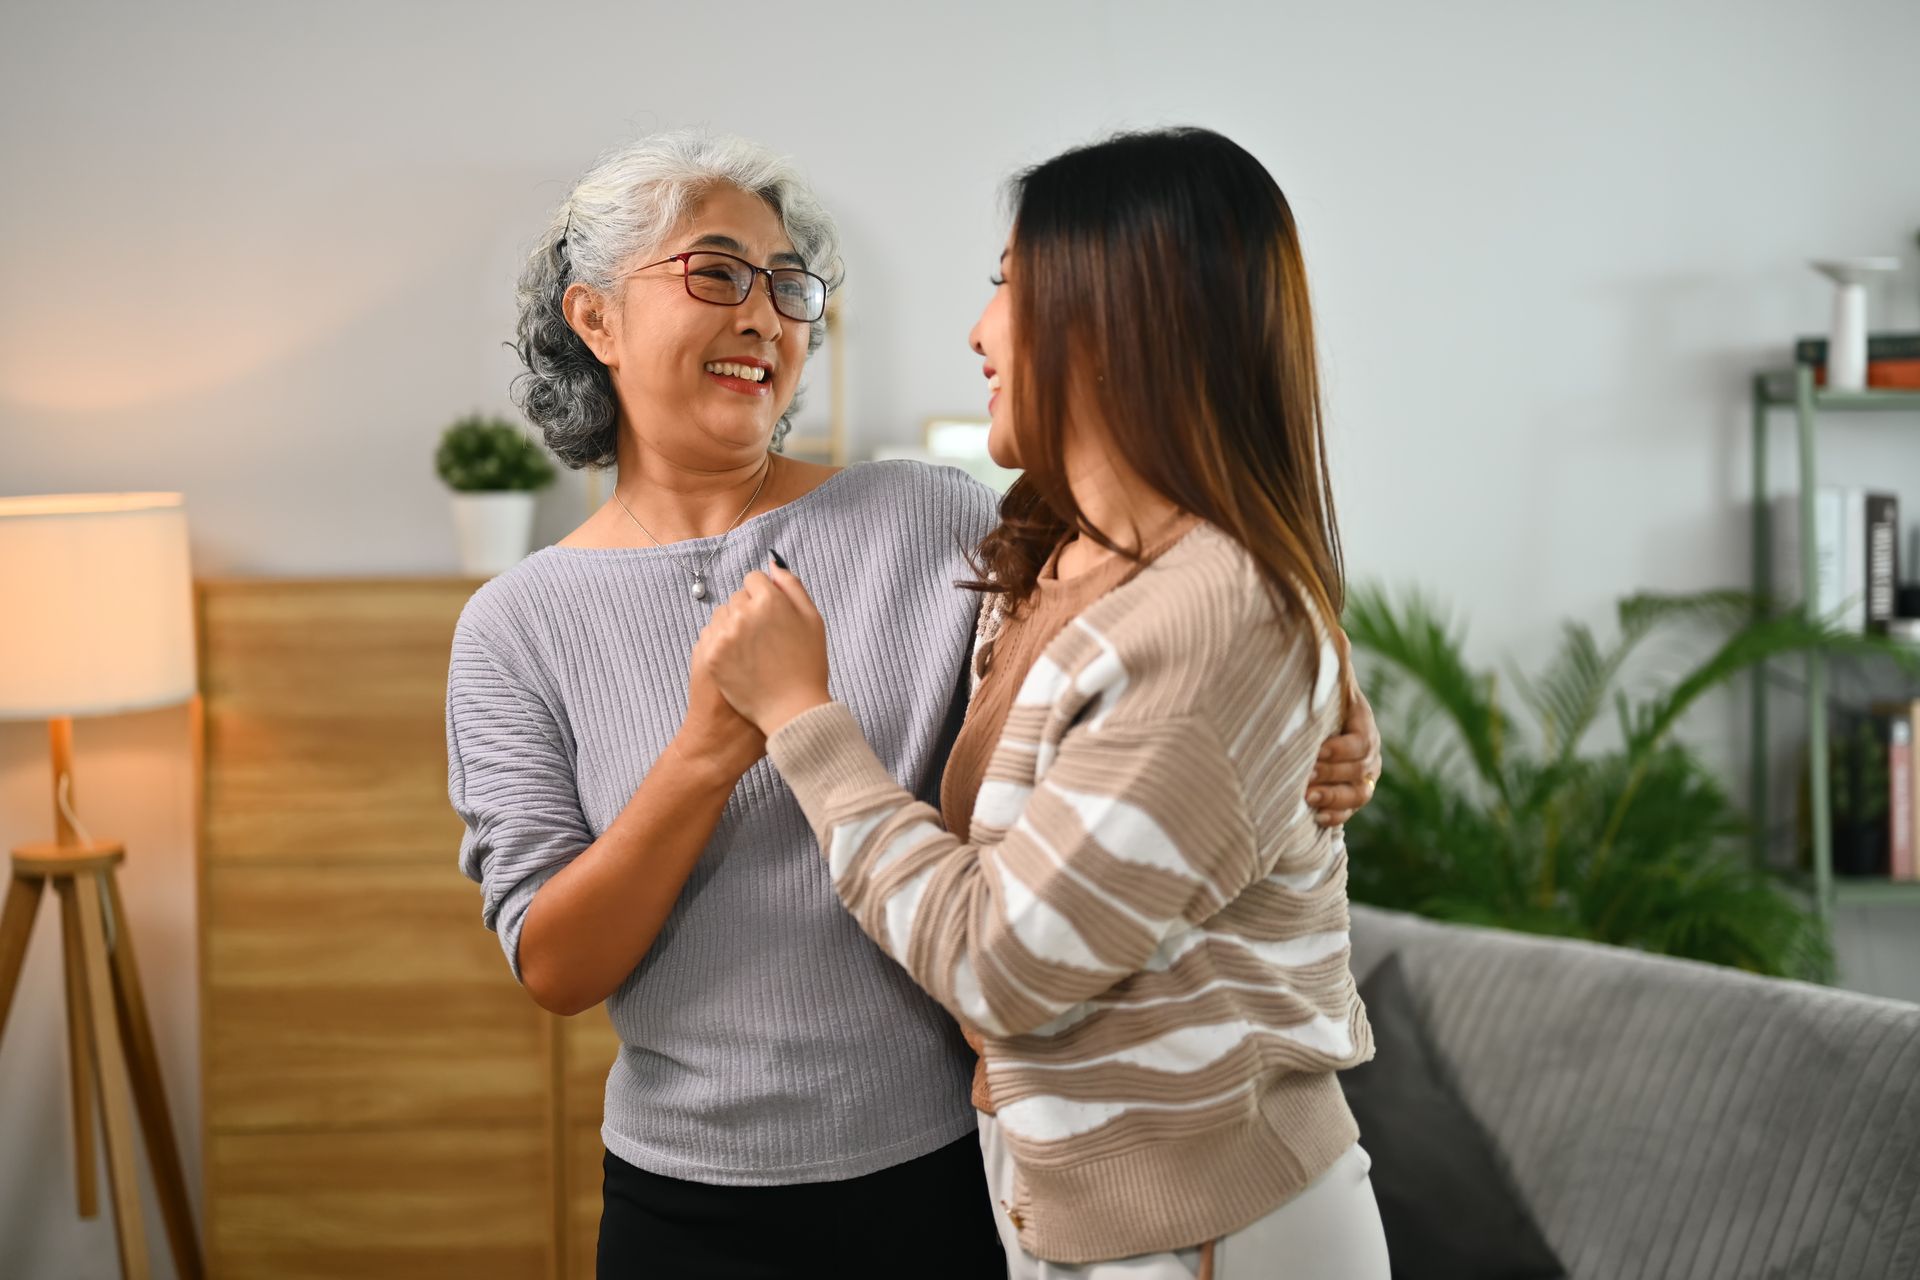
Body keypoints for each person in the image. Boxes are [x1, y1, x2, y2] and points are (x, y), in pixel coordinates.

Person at [446, 129, 1381, 1279]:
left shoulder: (931, 518)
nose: (766, 314)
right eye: (718, 271)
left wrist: (1332, 704)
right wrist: (705, 752)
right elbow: (555, 962)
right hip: (684, 1211)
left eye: (790, 284)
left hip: (956, 1172)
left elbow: (1151, 617)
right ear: (596, 320)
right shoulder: (513, 626)